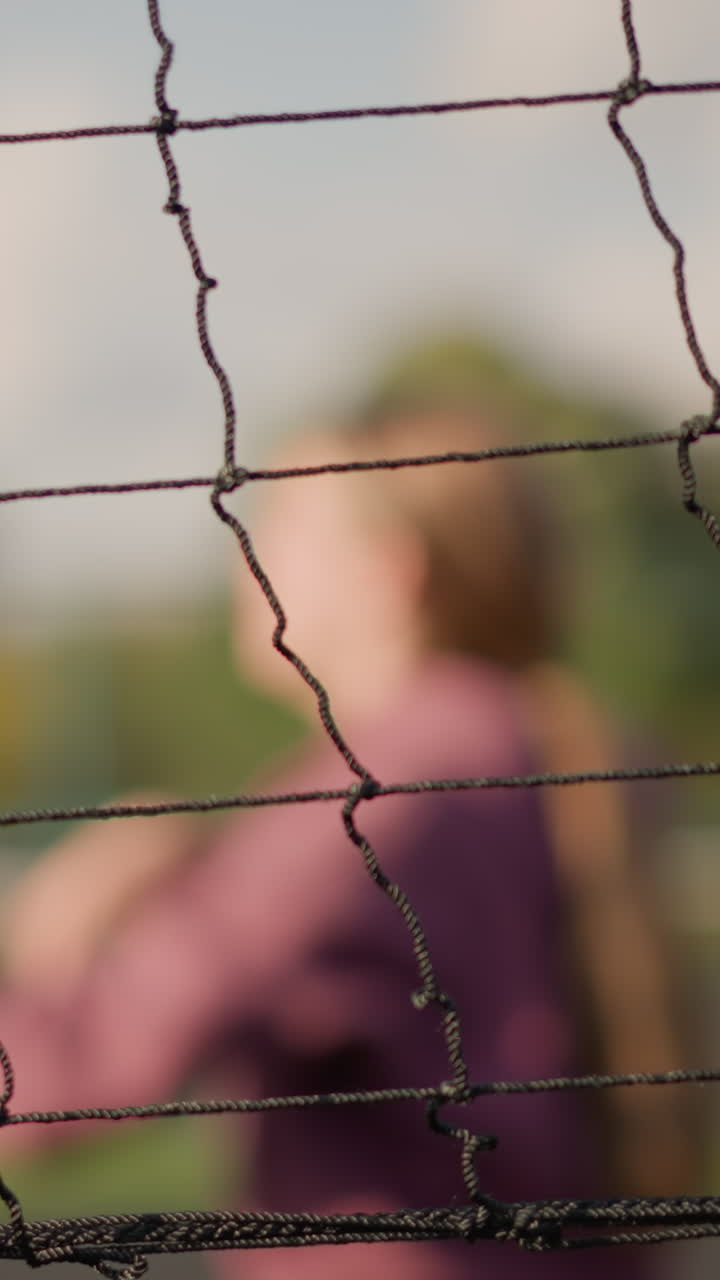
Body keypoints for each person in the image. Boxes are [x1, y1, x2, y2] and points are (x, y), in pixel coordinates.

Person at [0, 407, 696, 1279]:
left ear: (388, 574)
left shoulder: (367, 799)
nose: (241, 556)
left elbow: (60, 1086)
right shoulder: (552, 747)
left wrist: (53, 935)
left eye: (281, 524)